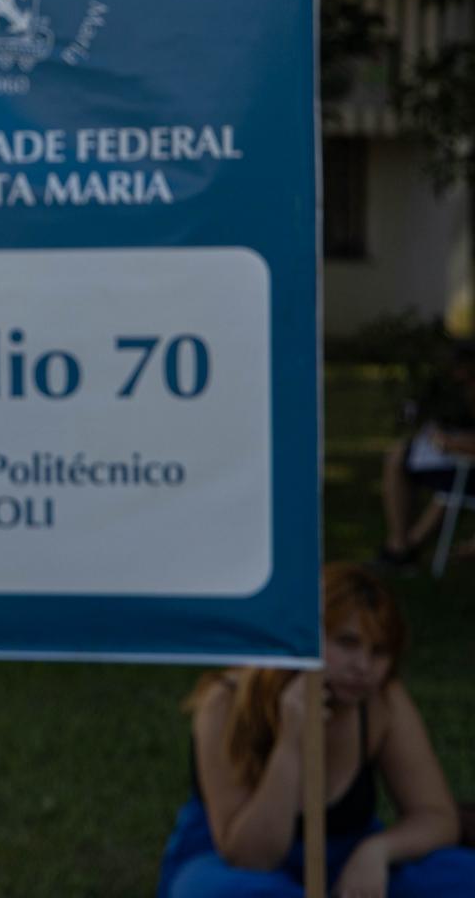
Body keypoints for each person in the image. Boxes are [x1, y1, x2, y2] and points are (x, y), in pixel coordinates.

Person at [155, 562, 475, 897]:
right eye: (347, 643)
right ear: (304, 633)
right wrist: (290, 743)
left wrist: (377, 851)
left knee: (462, 876)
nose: (363, 666)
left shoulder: (381, 700)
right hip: (235, 867)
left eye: (379, 651)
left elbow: (437, 817)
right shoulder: (227, 702)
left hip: (346, 858)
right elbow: (252, 857)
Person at [376, 341, 475, 570]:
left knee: (447, 490)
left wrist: (452, 443)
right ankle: (401, 547)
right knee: (399, 456)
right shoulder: (448, 392)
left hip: (464, 467)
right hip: (457, 465)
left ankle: (401, 549)